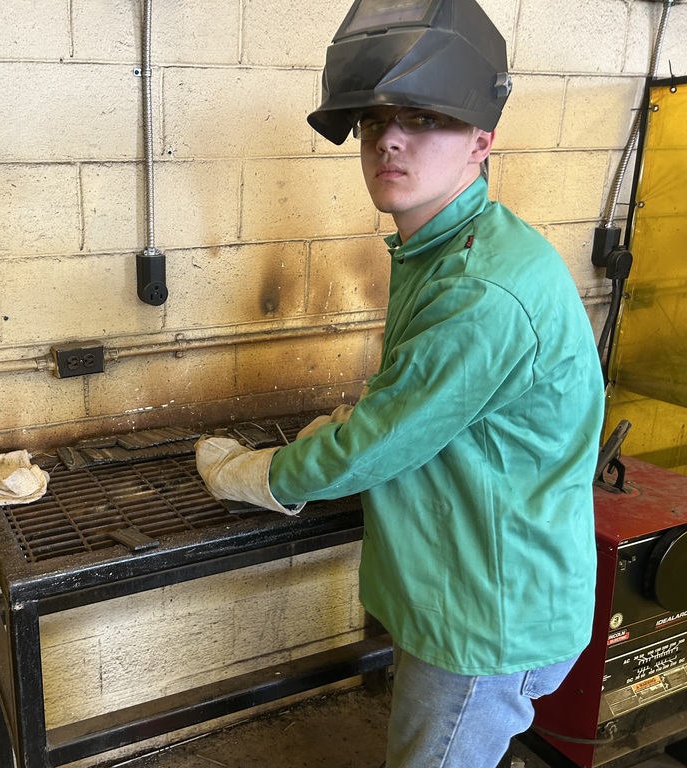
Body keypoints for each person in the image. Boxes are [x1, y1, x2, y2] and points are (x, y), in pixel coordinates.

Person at [194, 0, 606, 766]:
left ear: (481, 141)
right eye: (377, 118)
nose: (388, 138)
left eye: (424, 119)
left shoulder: (481, 291)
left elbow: (382, 440)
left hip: (484, 618)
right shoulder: (451, 249)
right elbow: (426, 402)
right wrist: (361, 417)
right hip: (481, 582)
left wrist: (255, 475)